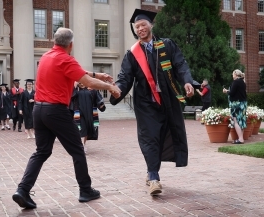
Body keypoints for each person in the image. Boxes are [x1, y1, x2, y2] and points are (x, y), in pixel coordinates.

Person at [12, 27, 121, 209]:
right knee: (78, 150)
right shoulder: (66, 59)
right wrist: (110, 87)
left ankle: (23, 190)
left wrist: (97, 74)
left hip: (38, 110)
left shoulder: (46, 57)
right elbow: (87, 82)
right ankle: (85, 190)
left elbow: (76, 72)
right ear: (71, 44)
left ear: (55, 41)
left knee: (42, 151)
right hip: (56, 111)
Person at [109, 9, 194, 196]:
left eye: (143, 25)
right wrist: (116, 91)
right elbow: (125, 78)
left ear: (151, 25)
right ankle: (154, 177)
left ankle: (151, 171)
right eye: (137, 26)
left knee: (166, 134)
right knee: (150, 137)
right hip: (146, 103)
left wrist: (187, 81)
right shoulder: (132, 54)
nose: (140, 28)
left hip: (168, 100)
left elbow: (180, 65)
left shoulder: (167, 45)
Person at [71, 82, 106, 154]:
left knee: (86, 130)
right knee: (80, 129)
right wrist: (74, 87)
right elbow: (71, 97)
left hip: (90, 114)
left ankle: (83, 145)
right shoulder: (76, 90)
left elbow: (98, 99)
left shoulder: (92, 90)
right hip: (79, 113)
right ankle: (81, 146)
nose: (82, 83)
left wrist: (101, 105)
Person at [223, 69, 247, 144]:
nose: (232, 75)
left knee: (236, 121)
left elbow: (232, 93)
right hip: (243, 103)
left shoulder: (236, 82)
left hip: (236, 104)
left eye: (233, 74)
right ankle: (241, 138)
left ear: (235, 74)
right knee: (242, 121)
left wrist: (226, 91)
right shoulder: (243, 82)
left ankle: (240, 139)